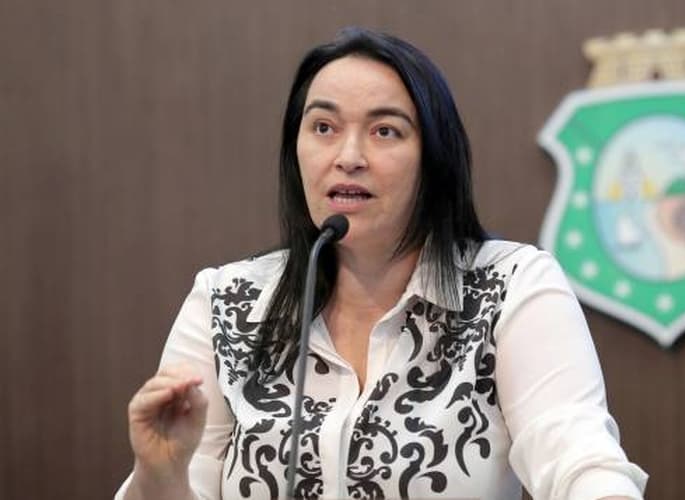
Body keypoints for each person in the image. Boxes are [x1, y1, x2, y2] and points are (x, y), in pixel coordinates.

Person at [115, 27, 648, 500]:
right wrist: (158, 476)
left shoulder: (509, 288)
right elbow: (188, 481)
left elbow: (575, 452)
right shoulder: (226, 303)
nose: (348, 155)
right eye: (323, 127)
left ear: (433, 160)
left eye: (384, 131)